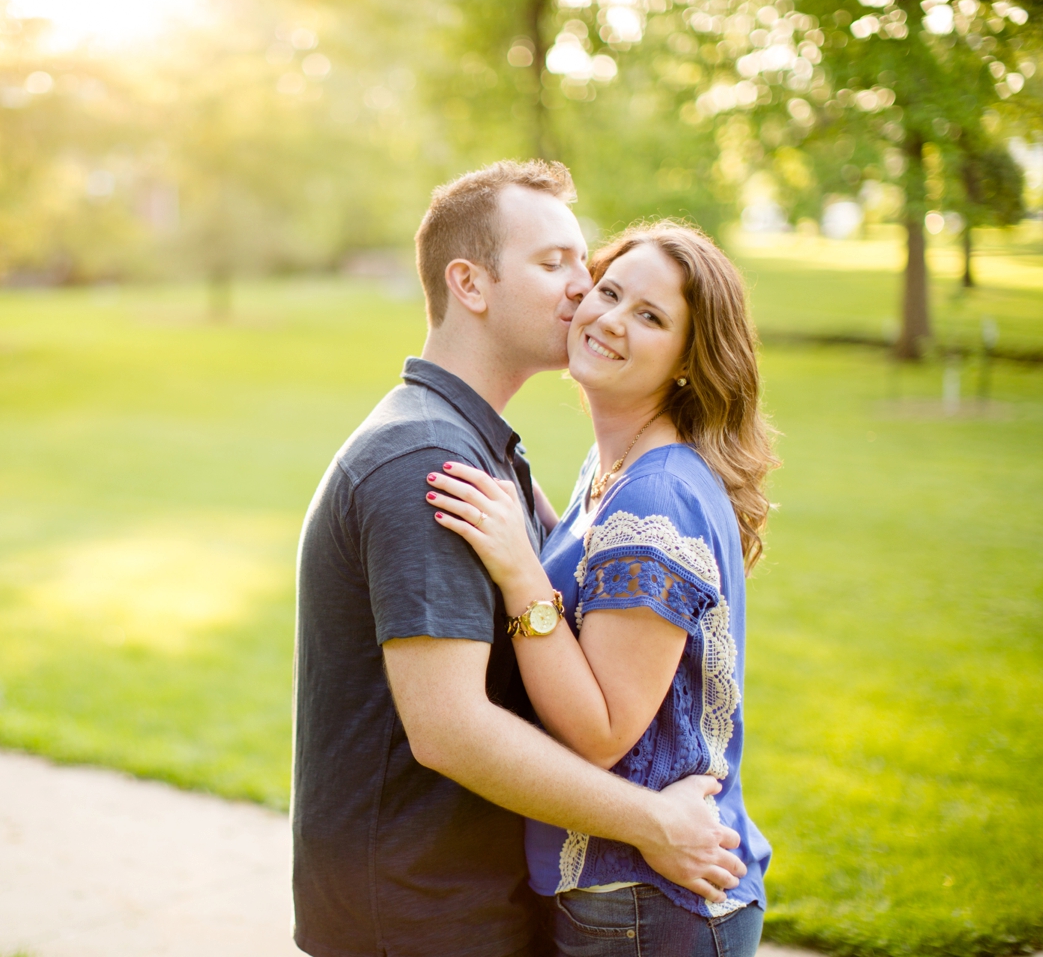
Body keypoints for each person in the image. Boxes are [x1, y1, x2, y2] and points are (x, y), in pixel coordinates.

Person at [292, 162, 748, 957]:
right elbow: (449, 729)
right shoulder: (427, 462)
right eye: (555, 264)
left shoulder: (496, 455)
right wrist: (654, 823)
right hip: (419, 913)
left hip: (464, 897)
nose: (583, 289)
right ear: (470, 284)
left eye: (587, 265)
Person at [423, 221, 778, 956]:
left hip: (648, 905)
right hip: (624, 896)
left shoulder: (656, 502)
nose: (612, 319)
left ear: (688, 360)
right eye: (609, 292)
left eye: (650, 317)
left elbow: (603, 729)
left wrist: (521, 574)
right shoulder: (611, 466)